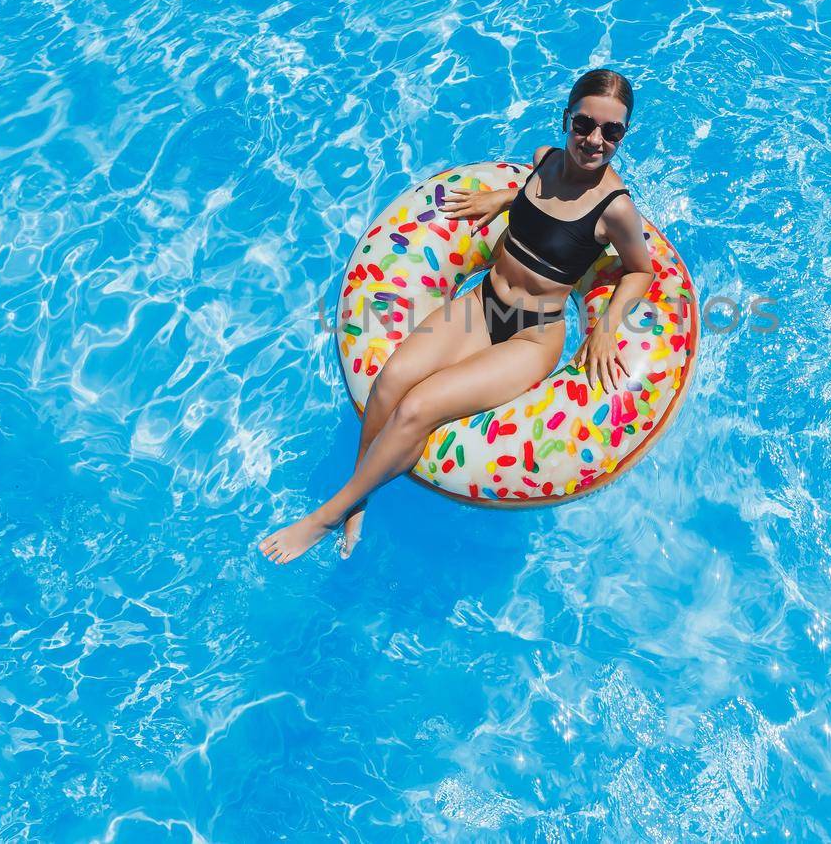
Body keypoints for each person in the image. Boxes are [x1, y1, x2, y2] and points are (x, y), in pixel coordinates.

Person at [259, 68, 658, 564]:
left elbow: (640, 270)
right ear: (566, 119)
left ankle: (327, 514)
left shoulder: (616, 209)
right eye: (584, 124)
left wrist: (605, 327)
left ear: (623, 134)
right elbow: (542, 196)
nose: (595, 140)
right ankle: (359, 496)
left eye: (611, 131)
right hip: (484, 302)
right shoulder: (544, 162)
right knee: (392, 380)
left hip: (531, 337)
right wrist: (503, 196)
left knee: (416, 408)